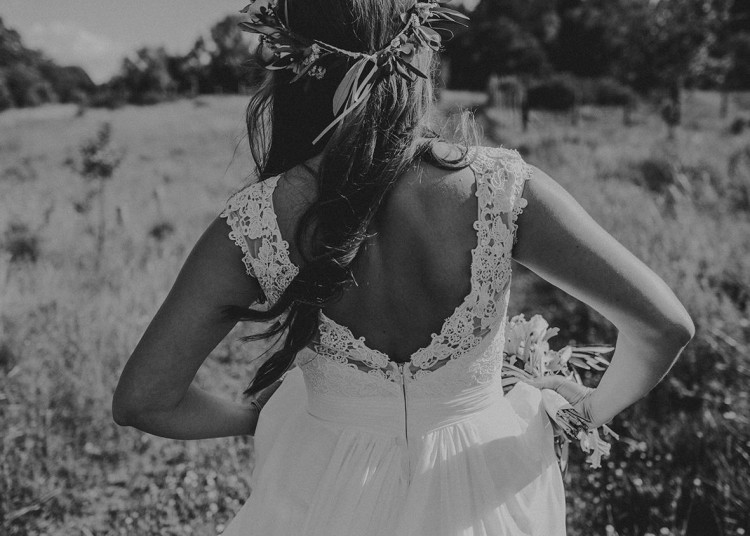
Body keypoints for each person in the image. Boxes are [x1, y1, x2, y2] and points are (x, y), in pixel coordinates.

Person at [112, 1, 695, 534]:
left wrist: (256, 418)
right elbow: (665, 326)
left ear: (293, 69)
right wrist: (582, 412)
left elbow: (145, 399)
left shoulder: (252, 222)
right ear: (417, 56)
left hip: (319, 488)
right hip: (484, 488)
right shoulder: (502, 189)